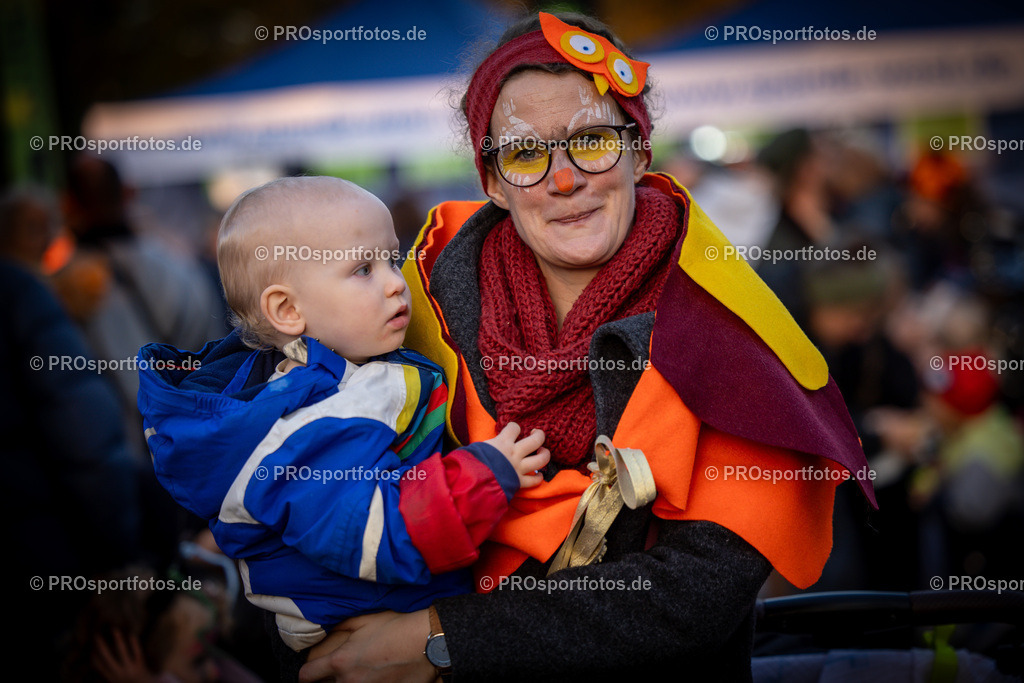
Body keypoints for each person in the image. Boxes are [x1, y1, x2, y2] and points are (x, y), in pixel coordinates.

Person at [296, 11, 876, 683]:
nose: (563, 179)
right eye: (524, 153)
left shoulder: (728, 322)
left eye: (592, 140)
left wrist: (440, 637)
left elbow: (695, 595)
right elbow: (323, 484)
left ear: (639, 149)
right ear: (491, 180)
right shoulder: (412, 304)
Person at [136, 176, 550, 655]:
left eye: (392, 259)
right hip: (373, 630)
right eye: (363, 270)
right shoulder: (304, 428)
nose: (397, 282)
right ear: (288, 310)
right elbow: (380, 532)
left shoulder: (336, 377)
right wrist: (487, 473)